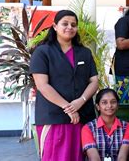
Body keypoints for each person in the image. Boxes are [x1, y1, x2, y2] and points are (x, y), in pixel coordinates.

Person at [30, 10, 99, 161]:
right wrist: (68, 108)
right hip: (54, 117)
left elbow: (94, 81)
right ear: (55, 26)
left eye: (73, 25)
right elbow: (42, 85)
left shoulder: (84, 53)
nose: (69, 27)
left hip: (82, 116)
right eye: (65, 24)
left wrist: (80, 101)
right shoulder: (42, 52)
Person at [81, 89, 129, 161]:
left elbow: (122, 157)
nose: (109, 105)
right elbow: (94, 158)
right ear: (98, 106)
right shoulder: (88, 128)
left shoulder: (127, 127)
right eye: (104, 102)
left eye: (113, 102)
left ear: (117, 105)